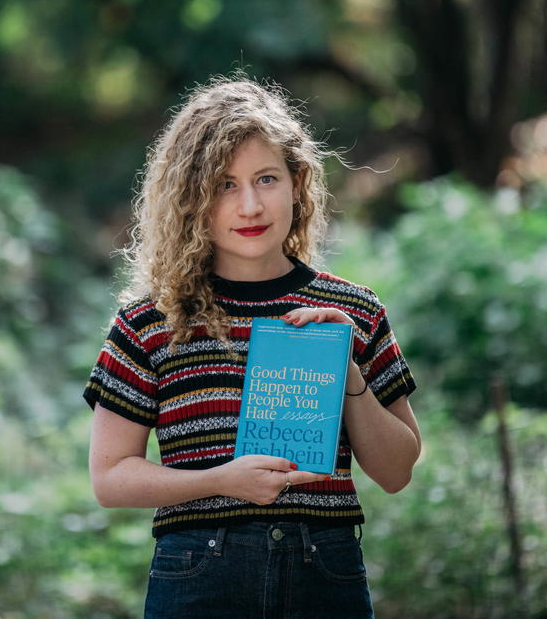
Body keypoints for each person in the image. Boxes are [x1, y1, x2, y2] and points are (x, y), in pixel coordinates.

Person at [82, 75, 421, 618]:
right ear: (191, 197)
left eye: (266, 178)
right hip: (197, 575)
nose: (250, 206)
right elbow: (110, 477)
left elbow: (398, 470)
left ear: (297, 182)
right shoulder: (151, 320)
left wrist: (349, 372)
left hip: (325, 572)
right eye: (224, 184)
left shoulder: (354, 311)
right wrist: (222, 482)